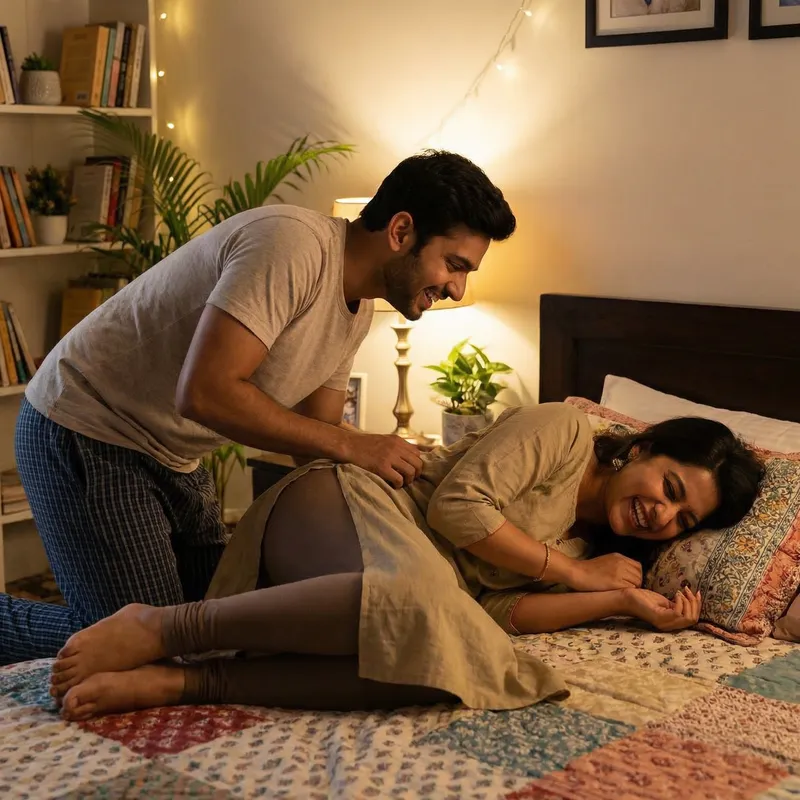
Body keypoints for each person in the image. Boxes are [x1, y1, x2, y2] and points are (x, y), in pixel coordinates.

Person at [0, 150, 517, 665]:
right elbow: (204, 391)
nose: (457, 288)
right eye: (454, 265)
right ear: (401, 232)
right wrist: (353, 444)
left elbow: (315, 439)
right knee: (155, 648)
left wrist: (404, 512)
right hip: (89, 426)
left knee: (219, 626)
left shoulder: (355, 312)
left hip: (175, 453)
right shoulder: (291, 245)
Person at [49, 402, 764, 720]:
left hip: (408, 576)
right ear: (639, 448)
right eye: (669, 488)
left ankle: (190, 683)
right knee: (419, 608)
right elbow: (458, 510)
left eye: (683, 518)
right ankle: (168, 626)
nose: (662, 515)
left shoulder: (589, 548)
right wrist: (576, 574)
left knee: (452, 667)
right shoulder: (564, 432)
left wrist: (619, 600)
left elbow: (499, 617)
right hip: (349, 502)